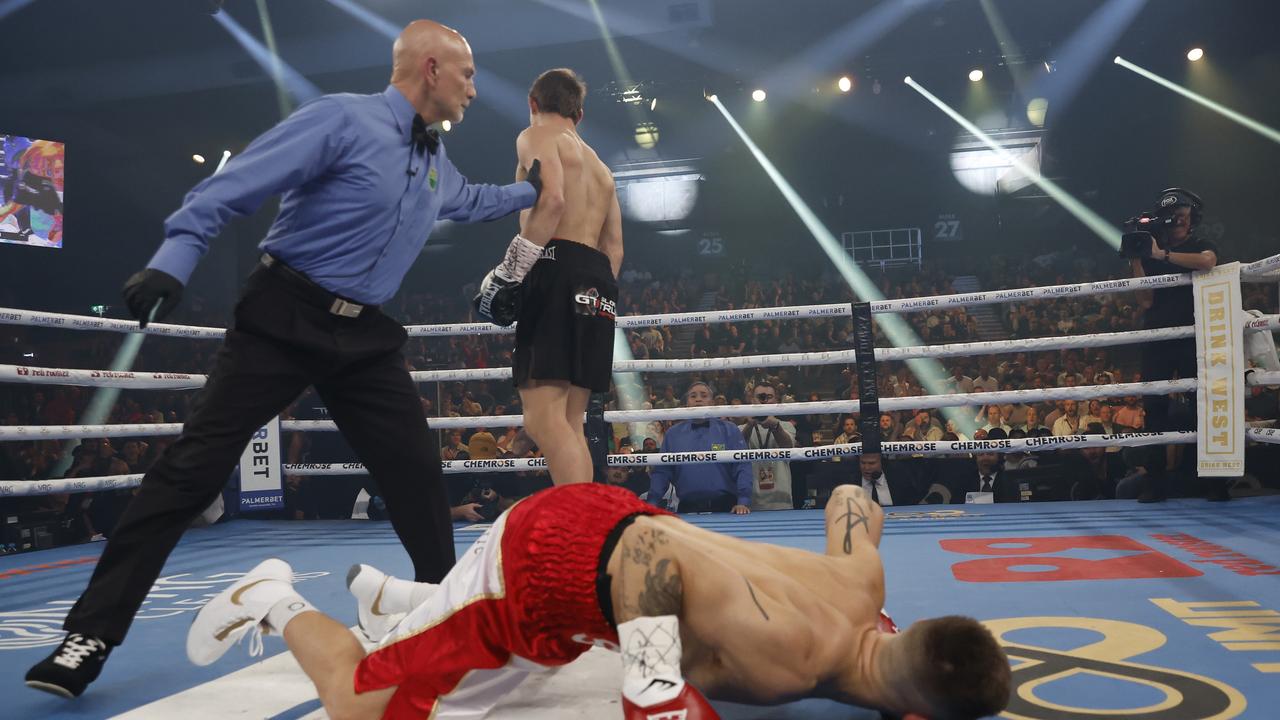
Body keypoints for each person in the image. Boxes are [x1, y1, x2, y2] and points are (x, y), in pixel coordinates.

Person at [24, 20, 543, 699]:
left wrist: (529, 193)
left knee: (417, 474)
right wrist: (173, 258)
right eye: (468, 74)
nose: (476, 89)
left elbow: (474, 201)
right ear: (431, 68)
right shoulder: (342, 121)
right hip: (282, 317)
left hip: (365, 340)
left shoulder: (435, 164)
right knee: (190, 472)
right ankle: (87, 637)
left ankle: (445, 622)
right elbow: (237, 183)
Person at [187, 482, 1010, 720]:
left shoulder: (863, 588)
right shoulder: (786, 660)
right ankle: (272, 597)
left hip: (607, 536)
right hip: (550, 565)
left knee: (564, 690)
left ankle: (404, 600)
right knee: (362, 709)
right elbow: (648, 558)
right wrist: (654, 686)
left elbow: (849, 500)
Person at [474, 68, 622, 488]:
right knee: (571, 423)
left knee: (542, 421)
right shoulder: (602, 169)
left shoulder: (536, 134)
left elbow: (552, 199)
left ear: (533, 104)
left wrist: (512, 270)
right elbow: (615, 249)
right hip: (597, 280)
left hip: (554, 264)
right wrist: (591, 293)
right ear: (581, 112)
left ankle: (580, 523)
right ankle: (586, 521)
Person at [1126, 188, 1221, 502]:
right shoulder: (1151, 251)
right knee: (1154, 409)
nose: (1177, 220)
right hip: (1157, 337)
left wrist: (1161, 256)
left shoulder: (1198, 245)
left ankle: (1211, 481)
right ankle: (1154, 483)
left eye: (1182, 214)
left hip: (1196, 336)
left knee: (1201, 405)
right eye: (1173, 215)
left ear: (1191, 218)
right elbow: (1145, 299)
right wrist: (1138, 259)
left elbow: (1208, 262)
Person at [647, 381, 753, 514]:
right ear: (687, 403)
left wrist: (743, 500)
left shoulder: (729, 430)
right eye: (693, 396)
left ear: (712, 402)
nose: (698, 399)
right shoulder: (673, 434)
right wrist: (652, 502)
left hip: (726, 506)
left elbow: (742, 466)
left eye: (704, 395)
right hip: (687, 507)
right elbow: (662, 471)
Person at [739, 381, 797, 510]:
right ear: (752, 400)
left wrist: (775, 426)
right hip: (750, 503)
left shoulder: (786, 426)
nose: (764, 401)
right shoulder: (741, 429)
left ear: (776, 400)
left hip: (781, 501)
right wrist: (749, 425)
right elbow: (738, 450)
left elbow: (788, 447)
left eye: (769, 397)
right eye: (760, 397)